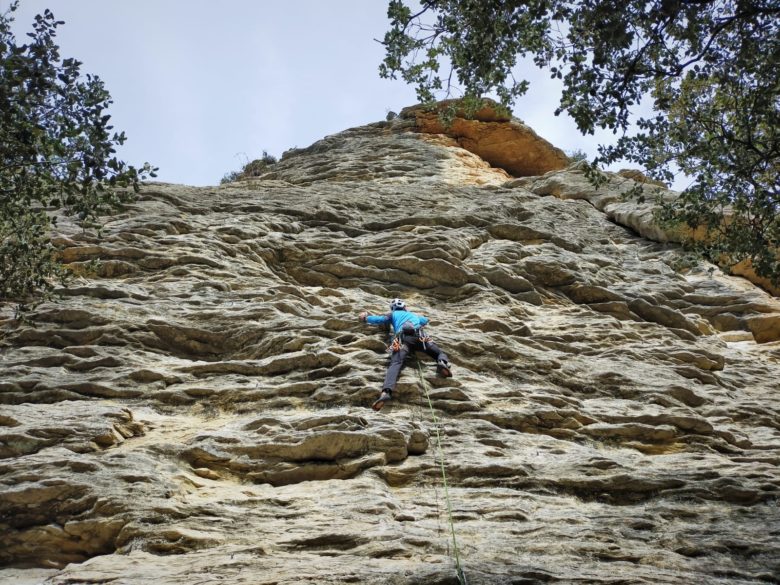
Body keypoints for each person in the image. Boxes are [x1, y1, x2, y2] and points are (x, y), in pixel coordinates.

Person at [359, 298, 452, 411]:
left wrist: (366, 318)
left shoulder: (392, 314)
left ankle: (386, 392)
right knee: (439, 353)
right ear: (404, 307)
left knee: (395, 364)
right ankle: (442, 362)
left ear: (393, 308)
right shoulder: (413, 315)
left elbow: (381, 319)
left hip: (403, 340)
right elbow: (425, 320)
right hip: (421, 338)